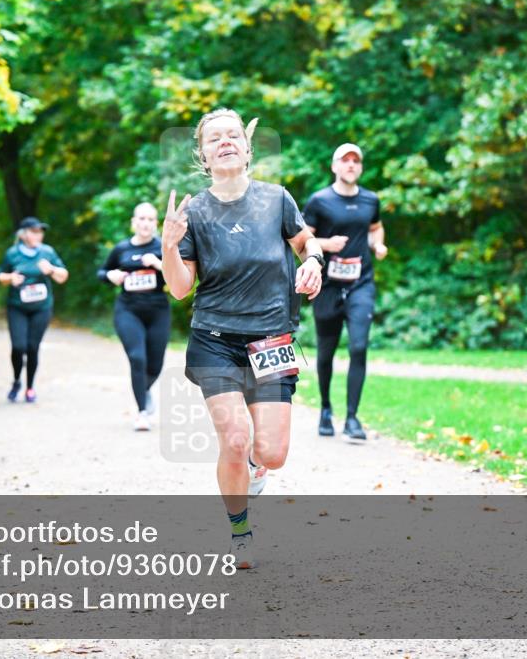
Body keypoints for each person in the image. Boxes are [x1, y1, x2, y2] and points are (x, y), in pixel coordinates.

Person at [161, 108, 324, 569]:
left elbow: (305, 241)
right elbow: (178, 288)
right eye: (215, 138)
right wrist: (168, 246)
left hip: (272, 338)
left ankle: (254, 472)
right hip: (214, 338)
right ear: (203, 154)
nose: (226, 141)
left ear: (248, 149)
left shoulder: (276, 199)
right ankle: (240, 531)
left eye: (234, 135)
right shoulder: (193, 211)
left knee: (271, 453)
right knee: (234, 437)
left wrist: (313, 261)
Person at [303, 143, 388, 443]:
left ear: (361, 167)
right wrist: (326, 245)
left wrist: (377, 244)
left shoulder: (370, 200)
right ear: (334, 166)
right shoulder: (319, 201)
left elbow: (376, 227)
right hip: (327, 285)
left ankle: (352, 417)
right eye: (345, 160)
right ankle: (326, 409)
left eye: (356, 160)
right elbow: (301, 239)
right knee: (326, 352)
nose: (351, 164)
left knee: (359, 347)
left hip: (360, 283)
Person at [98, 202, 171, 431]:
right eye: (141, 218)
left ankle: (144, 389)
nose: (146, 223)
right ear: (133, 222)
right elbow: (101, 271)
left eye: (150, 219)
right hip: (128, 309)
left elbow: (179, 277)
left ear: (156, 224)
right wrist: (111, 275)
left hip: (158, 309)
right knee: (137, 358)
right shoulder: (121, 249)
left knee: (156, 364)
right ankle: (141, 412)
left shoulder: (163, 247)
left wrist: (158, 264)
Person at [0, 217, 69, 403]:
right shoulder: (12, 254)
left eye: (40, 232)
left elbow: (63, 276)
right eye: (34, 231)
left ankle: (30, 387)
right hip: (17, 307)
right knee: (19, 347)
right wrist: (10, 278)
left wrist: (51, 270)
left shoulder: (47, 252)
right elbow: (0, 276)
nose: (38, 235)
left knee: (33, 347)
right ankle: (16, 381)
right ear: (24, 233)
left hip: (41, 308)